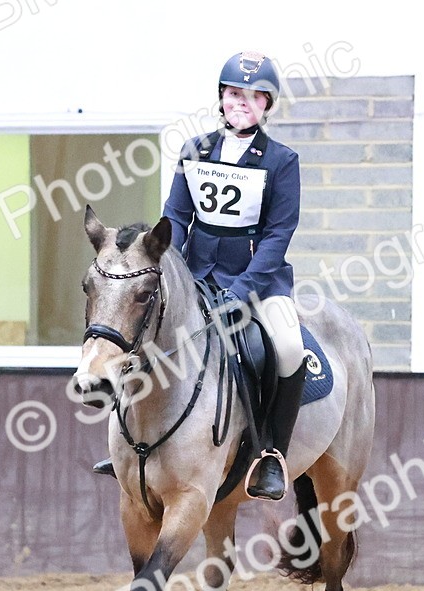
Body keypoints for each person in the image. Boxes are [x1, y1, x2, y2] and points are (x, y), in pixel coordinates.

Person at [94, 51, 308, 502]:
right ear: (221, 98)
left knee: (288, 348)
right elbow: (175, 216)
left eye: (253, 97)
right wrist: (168, 272)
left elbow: (277, 234)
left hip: (258, 282)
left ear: (267, 104)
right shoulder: (196, 150)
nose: (241, 103)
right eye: (234, 94)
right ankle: (130, 447)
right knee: (147, 332)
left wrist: (243, 290)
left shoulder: (281, 161)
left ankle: (271, 454)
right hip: (195, 276)